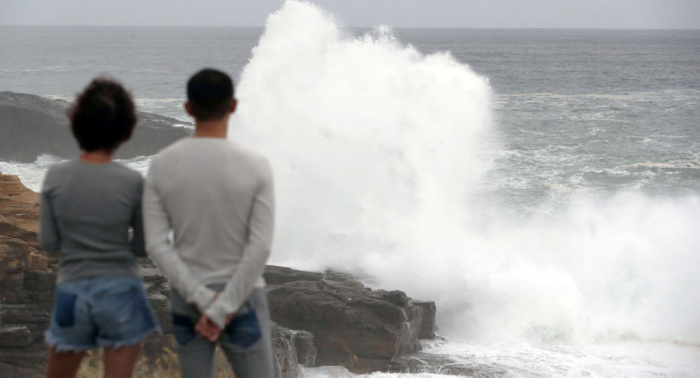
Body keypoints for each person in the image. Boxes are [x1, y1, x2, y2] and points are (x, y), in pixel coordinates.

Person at [143, 68, 275, 378]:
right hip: (243, 299)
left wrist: (204, 301)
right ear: (233, 106)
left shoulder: (162, 165)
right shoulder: (256, 166)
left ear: (188, 108)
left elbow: (156, 245)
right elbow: (260, 247)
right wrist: (223, 306)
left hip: (188, 300)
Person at [41, 78, 159, 378]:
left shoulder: (55, 176)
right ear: (125, 130)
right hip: (121, 288)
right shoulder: (133, 182)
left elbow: (50, 241)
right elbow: (144, 246)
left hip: (74, 287)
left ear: (77, 125)